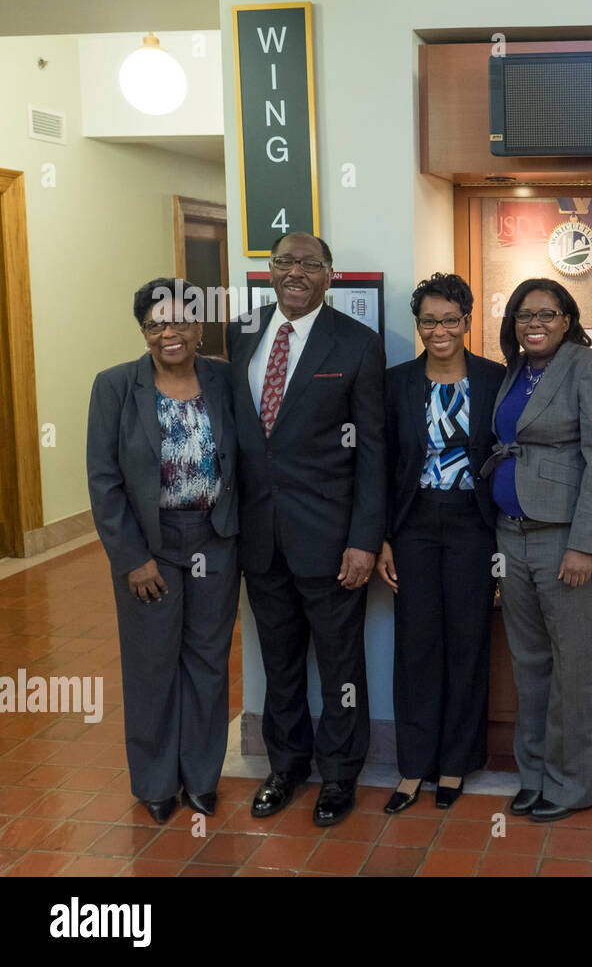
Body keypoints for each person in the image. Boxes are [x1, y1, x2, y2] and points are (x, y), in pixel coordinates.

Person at [226, 232, 385, 827]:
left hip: (331, 540)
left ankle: (340, 774)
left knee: (342, 663)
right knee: (279, 660)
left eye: (309, 264)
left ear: (329, 275)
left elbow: (373, 451)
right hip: (259, 537)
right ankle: (285, 766)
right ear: (270, 271)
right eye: (284, 262)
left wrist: (364, 538)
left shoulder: (358, 344)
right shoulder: (241, 330)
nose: (296, 272)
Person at [87, 278, 239, 824]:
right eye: (154, 324)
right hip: (150, 546)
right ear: (144, 332)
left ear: (200, 327)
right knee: (151, 665)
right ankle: (154, 782)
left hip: (215, 541)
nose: (168, 333)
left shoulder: (223, 378)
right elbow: (104, 481)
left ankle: (200, 778)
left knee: (207, 663)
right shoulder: (116, 386)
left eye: (178, 322)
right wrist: (131, 558)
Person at [483, 278, 592, 823]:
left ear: (568, 318)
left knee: (577, 667)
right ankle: (535, 774)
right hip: (510, 535)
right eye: (522, 314)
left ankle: (575, 785)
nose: (533, 323)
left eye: (545, 313)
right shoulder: (516, 369)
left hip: (566, 541)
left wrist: (585, 544)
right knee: (530, 663)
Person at [374, 273, 505, 814]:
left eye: (450, 319)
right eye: (429, 320)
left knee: (469, 642)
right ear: (419, 324)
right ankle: (413, 767)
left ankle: (454, 764)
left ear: (467, 322)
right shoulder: (396, 382)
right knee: (416, 645)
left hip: (475, 527)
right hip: (414, 527)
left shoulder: (496, 380)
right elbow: (380, 465)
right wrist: (380, 537)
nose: (439, 330)